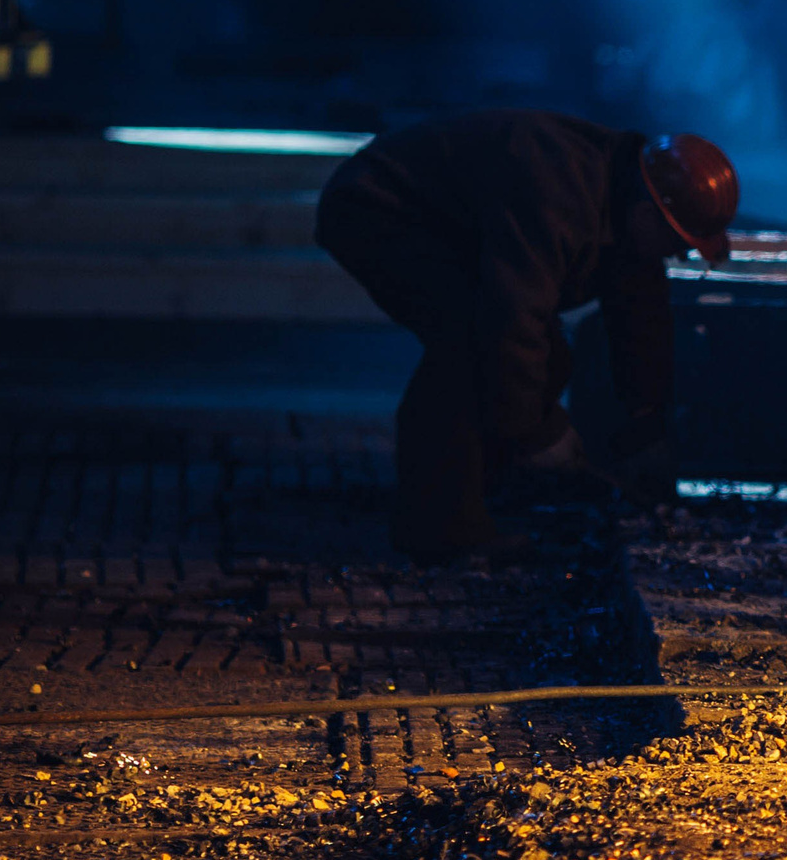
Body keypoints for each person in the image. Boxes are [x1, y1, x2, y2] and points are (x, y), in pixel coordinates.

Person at [315, 110, 737, 562]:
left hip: (446, 224)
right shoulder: (559, 192)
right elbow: (510, 320)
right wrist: (538, 435)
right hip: (379, 207)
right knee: (468, 345)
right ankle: (440, 528)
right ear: (648, 213)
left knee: (546, 359)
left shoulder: (629, 210)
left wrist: (646, 427)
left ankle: (486, 489)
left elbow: (641, 321)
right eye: (677, 244)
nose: (676, 256)